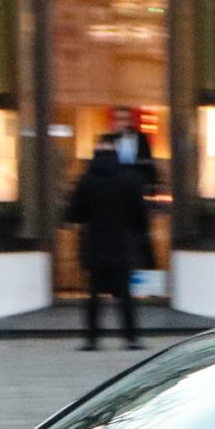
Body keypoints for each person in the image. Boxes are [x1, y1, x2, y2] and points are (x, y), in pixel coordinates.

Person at [64, 134, 148, 351]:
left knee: (94, 296)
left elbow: (74, 214)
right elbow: (139, 214)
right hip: (121, 244)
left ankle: (92, 339)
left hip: (95, 244)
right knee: (124, 296)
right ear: (116, 153)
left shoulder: (86, 179)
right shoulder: (128, 178)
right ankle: (130, 338)